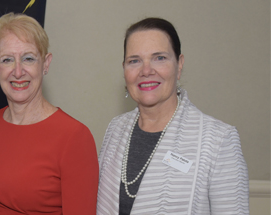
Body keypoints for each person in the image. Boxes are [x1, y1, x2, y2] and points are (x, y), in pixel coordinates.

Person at [96, 17, 249, 214]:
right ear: (124, 70)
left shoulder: (219, 141)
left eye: (159, 58)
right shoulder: (115, 129)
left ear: (180, 64)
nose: (146, 71)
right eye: (134, 61)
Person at [0, 13, 99, 214]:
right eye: (7, 60)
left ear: (45, 64)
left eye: (28, 58)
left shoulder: (74, 137)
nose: (18, 71)